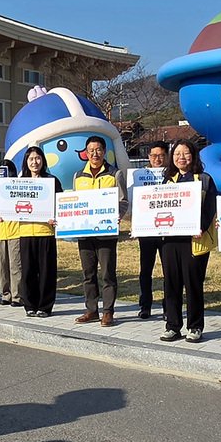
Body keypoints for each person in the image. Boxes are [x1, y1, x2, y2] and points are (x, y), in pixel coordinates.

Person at [158, 139, 218, 343]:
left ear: (193, 156)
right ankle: (173, 326)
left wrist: (199, 226)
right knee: (171, 284)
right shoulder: (167, 181)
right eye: (176, 154)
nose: (180, 157)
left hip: (195, 240)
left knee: (193, 285)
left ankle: (195, 326)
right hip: (170, 241)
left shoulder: (203, 179)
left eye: (185, 153)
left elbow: (210, 208)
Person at [73, 135, 128, 327]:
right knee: (88, 273)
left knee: (107, 273)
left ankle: (108, 311)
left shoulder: (115, 174)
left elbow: (123, 201)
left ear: (104, 152)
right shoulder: (78, 176)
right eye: (91, 150)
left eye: (98, 150)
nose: (94, 154)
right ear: (86, 153)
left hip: (106, 232)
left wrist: (118, 216)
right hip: (85, 232)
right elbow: (75, 202)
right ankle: (91, 310)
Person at [10, 146, 61, 317]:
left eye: (38, 158)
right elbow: (9, 205)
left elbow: (60, 204)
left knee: (46, 271)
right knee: (28, 271)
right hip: (25, 232)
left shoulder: (52, 181)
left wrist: (55, 217)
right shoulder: (19, 182)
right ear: (26, 161)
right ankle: (30, 305)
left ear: (43, 161)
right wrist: (4, 213)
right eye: (31, 159)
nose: (34, 162)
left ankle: (45, 307)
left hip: (45, 232)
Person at [137, 142, 168, 318]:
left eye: (161, 155)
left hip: (167, 230)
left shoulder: (172, 175)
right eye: (153, 155)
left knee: (168, 271)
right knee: (145, 270)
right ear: (148, 157)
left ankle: (167, 307)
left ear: (166, 156)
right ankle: (145, 306)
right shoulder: (141, 175)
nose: (157, 159)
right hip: (147, 229)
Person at [0, 159, 22, 307]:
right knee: (1, 266)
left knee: (15, 266)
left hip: (15, 231)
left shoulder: (17, 186)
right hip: (0, 233)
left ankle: (17, 296)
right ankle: (5, 295)